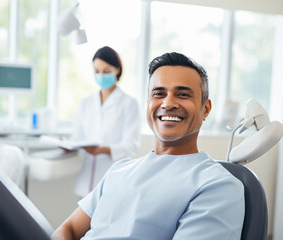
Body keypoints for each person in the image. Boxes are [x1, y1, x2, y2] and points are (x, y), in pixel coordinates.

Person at [53, 52, 245, 239]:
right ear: (148, 104)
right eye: (159, 93)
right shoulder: (119, 170)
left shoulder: (217, 186)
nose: (168, 103)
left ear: (206, 109)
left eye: (183, 94)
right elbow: (67, 229)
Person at [70, 46, 141, 198]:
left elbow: (131, 145)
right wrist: (68, 146)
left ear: (117, 69)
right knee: (83, 220)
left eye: (106, 71)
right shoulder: (86, 103)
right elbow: (77, 138)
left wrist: (103, 149)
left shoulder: (129, 103)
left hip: (113, 177)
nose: (101, 75)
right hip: (86, 179)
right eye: (97, 71)